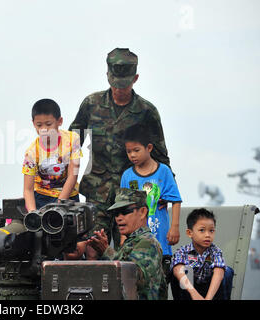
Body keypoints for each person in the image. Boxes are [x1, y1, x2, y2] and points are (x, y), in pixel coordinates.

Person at [69, 48, 171, 253]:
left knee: (130, 251)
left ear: (135, 78)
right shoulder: (92, 104)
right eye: (115, 83)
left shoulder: (146, 111)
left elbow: (160, 155)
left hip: (132, 194)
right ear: (107, 76)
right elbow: (71, 143)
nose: (119, 89)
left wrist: (165, 192)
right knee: (93, 248)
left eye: (124, 84)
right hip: (97, 192)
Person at [119, 124, 182, 280]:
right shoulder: (127, 176)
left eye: (136, 150)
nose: (132, 155)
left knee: (160, 283)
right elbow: (123, 208)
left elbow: (176, 200)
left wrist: (174, 228)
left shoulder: (164, 171)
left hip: (160, 239)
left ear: (149, 148)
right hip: (135, 244)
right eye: (129, 151)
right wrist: (122, 239)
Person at [87, 188, 167, 300]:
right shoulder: (132, 241)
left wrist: (106, 250)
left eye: (124, 211)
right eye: (115, 213)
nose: (119, 218)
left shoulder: (147, 242)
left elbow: (134, 278)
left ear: (143, 212)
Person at [22, 98, 82, 211]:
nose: (44, 129)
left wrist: (58, 206)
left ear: (60, 121)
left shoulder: (72, 139)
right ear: (33, 123)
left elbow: (72, 176)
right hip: (42, 198)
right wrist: (33, 213)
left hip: (69, 196)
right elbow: (28, 189)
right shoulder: (31, 153)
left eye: (48, 124)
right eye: (39, 125)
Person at [170, 208, 234, 300]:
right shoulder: (183, 251)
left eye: (211, 231)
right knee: (181, 271)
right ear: (189, 233)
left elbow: (219, 273)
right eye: (202, 230)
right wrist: (194, 294)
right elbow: (177, 270)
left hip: (209, 291)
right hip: (189, 291)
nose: (207, 235)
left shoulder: (215, 251)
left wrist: (208, 298)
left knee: (227, 271)